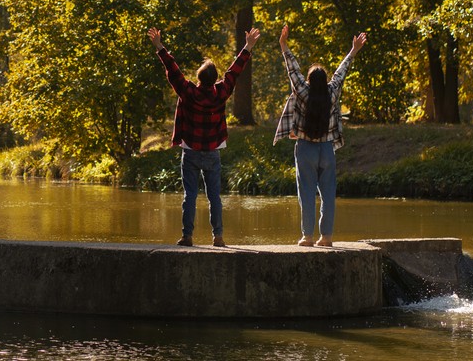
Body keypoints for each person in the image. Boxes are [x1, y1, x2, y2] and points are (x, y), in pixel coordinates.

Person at [148, 26, 260, 248]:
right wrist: (247, 47)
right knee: (214, 197)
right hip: (212, 152)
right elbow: (234, 71)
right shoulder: (221, 92)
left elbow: (173, 71)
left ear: (199, 78)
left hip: (190, 150)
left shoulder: (189, 92)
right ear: (214, 78)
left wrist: (160, 47)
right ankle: (218, 237)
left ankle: (187, 236)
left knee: (190, 195)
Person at [273, 24, 366, 247]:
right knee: (328, 194)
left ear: (309, 80)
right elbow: (341, 73)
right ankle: (327, 237)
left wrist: (284, 45)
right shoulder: (332, 92)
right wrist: (353, 51)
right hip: (326, 149)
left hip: (305, 148)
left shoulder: (302, 92)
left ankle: (308, 236)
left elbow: (293, 71)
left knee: (306, 193)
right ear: (324, 81)